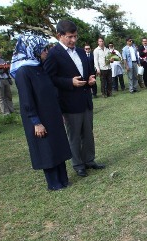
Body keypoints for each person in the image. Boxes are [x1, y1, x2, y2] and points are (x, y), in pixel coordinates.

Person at [10, 34, 72, 190]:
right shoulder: (24, 72)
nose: (46, 52)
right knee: (46, 149)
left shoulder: (39, 67)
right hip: (39, 118)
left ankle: (63, 179)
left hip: (52, 114)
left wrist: (59, 113)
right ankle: (54, 183)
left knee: (57, 145)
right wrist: (35, 122)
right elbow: (26, 100)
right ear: (34, 49)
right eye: (43, 49)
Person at [44, 19, 105, 178]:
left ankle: (89, 160)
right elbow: (49, 79)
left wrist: (90, 80)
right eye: (70, 37)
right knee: (75, 135)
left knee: (88, 133)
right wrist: (69, 82)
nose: (73, 40)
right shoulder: (53, 54)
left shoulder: (79, 51)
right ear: (60, 36)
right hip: (69, 103)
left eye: (75, 36)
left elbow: (87, 71)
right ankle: (78, 165)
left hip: (85, 99)